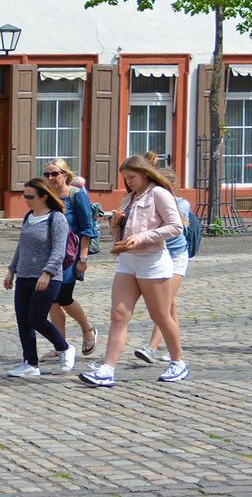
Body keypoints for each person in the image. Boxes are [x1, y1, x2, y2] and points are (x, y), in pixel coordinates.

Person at [79, 153, 188, 388]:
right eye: (125, 178)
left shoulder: (159, 193)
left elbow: (176, 226)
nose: (128, 182)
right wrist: (115, 225)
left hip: (153, 261)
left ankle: (178, 361)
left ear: (145, 174)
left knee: (160, 315)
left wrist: (143, 236)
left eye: (132, 177)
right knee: (118, 315)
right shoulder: (129, 198)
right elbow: (122, 236)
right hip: (128, 261)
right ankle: (108, 369)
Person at [2, 177, 75, 378]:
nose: (26, 200)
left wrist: (47, 273)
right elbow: (21, 247)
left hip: (47, 278)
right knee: (23, 321)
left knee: (36, 318)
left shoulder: (56, 218)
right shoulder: (29, 217)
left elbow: (59, 251)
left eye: (30, 196)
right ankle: (30, 364)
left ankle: (65, 347)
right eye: (24, 196)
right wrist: (11, 270)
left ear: (44, 196)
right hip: (24, 276)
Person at [43, 161, 98, 360]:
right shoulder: (47, 196)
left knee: (64, 297)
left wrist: (83, 258)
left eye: (54, 174)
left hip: (70, 255)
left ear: (65, 174)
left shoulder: (76, 195)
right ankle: (61, 345)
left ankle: (87, 330)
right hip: (50, 255)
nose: (50, 178)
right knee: (52, 301)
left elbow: (87, 228)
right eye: (47, 174)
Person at [134, 166, 190, 365]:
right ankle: (177, 349)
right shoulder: (143, 200)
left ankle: (151, 348)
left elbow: (171, 226)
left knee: (164, 304)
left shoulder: (181, 204)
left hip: (175, 257)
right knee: (170, 304)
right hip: (158, 256)